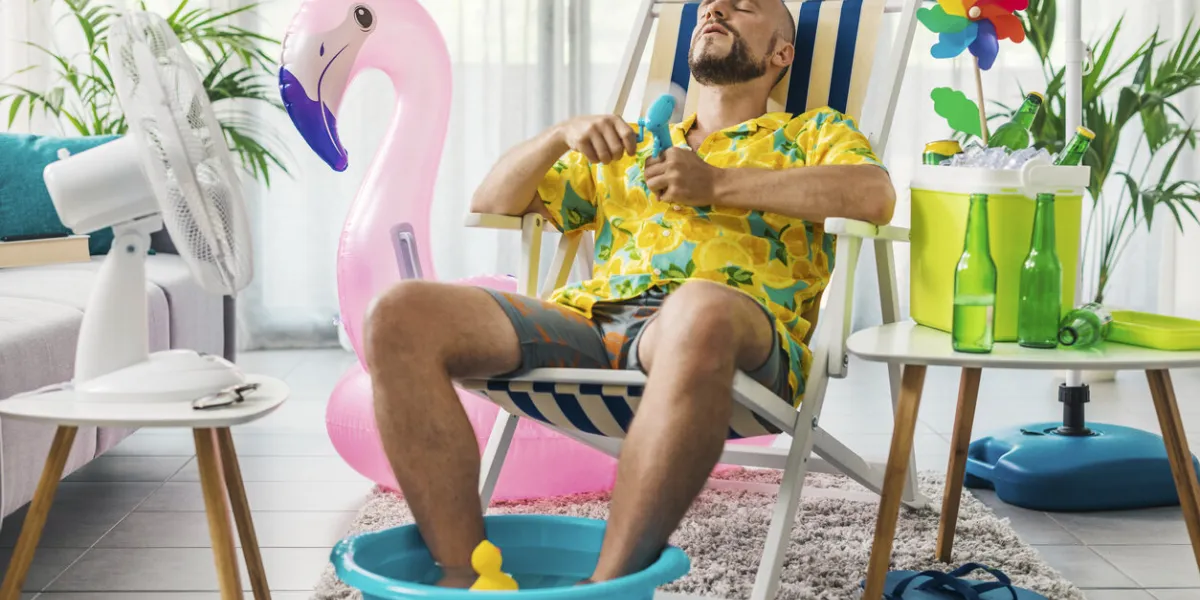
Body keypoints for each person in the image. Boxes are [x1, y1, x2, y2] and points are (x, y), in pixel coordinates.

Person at [364, 0, 896, 587]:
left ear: (781, 54)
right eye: (710, 7)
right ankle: (465, 577)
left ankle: (607, 589)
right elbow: (491, 201)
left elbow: (873, 195)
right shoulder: (634, 142)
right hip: (604, 320)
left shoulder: (812, 133)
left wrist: (716, 183)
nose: (716, 8)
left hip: (729, 325)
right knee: (399, 313)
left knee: (697, 307)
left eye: (742, 6)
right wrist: (559, 135)